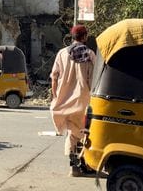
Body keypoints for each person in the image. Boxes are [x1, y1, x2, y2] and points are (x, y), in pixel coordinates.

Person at [49, 25, 95, 176]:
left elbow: (54, 77)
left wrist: (56, 96)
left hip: (65, 101)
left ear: (72, 37)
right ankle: (85, 164)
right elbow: (93, 79)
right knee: (85, 133)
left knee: (71, 134)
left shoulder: (62, 54)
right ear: (85, 37)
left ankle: (74, 167)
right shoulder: (89, 54)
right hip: (84, 101)